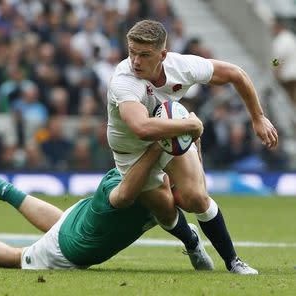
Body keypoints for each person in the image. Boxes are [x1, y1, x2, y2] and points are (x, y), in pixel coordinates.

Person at [107, 20, 278, 274]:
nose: (136, 61)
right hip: (132, 152)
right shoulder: (124, 80)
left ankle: (233, 262)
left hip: (171, 135)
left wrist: (257, 117)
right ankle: (192, 241)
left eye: (145, 55)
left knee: (196, 198)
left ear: (163, 55)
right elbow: (141, 128)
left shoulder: (182, 67)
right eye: (132, 52)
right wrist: (190, 127)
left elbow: (236, 74)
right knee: (164, 209)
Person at [0, 143, 214, 271]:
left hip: (82, 220)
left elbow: (189, 177)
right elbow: (167, 207)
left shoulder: (150, 174)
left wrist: (184, 139)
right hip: (74, 249)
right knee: (17, 258)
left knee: (60, 220)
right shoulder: (156, 196)